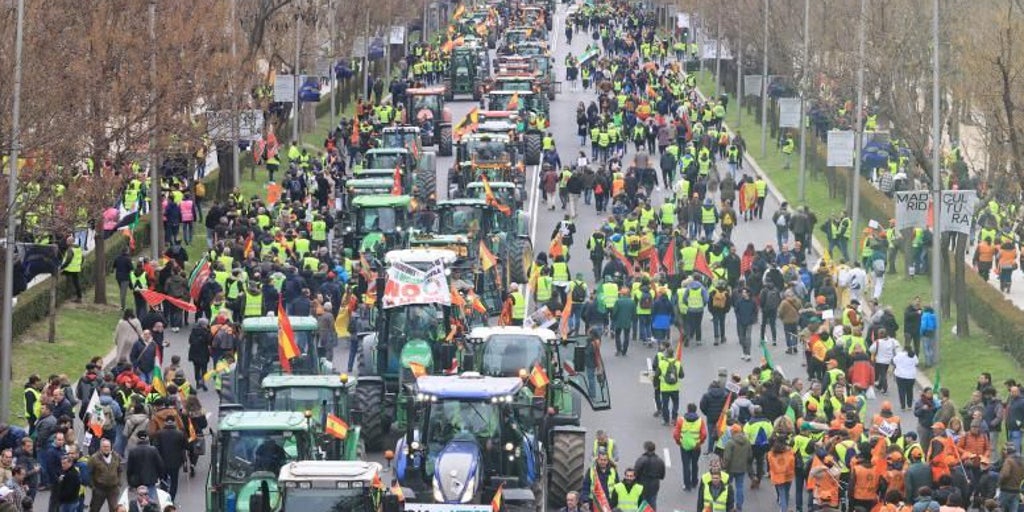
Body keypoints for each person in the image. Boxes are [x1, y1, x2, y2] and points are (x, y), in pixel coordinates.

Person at [674, 403, 707, 492]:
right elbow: (704, 434)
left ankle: (687, 485)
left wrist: (679, 442)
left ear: (687, 409)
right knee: (694, 464)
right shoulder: (700, 421)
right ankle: (694, 482)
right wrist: (699, 442)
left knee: (686, 465)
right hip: (696, 446)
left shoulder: (681, 420)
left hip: (684, 446)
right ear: (696, 410)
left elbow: (676, 434)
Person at [152, 418, 186, 500]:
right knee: (174, 482)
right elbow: (186, 446)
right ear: (174, 422)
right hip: (176, 462)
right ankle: (172, 498)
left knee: (163, 480)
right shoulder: (180, 434)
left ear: (165, 423)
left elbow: (155, 447)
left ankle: (164, 497)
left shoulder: (159, 433)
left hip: (162, 462)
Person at [722, 425, 752, 511]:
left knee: (728, 486)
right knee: (740, 487)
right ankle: (739, 506)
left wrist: (723, 467)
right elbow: (750, 456)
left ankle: (729, 505)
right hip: (742, 468)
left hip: (730, 469)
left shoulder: (730, 442)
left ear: (733, 432)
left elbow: (727, 458)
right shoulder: (747, 441)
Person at [87, 438, 122, 512]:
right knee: (94, 509)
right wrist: (93, 487)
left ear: (110, 447)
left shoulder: (116, 456)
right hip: (99, 489)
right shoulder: (94, 458)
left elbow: (119, 470)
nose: (106, 448)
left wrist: (119, 483)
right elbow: (89, 473)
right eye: (104, 446)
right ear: (100, 447)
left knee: (115, 509)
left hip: (113, 489)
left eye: (108, 446)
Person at [125, 432, 162, 500]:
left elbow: (129, 468)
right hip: (151, 479)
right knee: (151, 499)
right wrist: (160, 476)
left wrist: (129, 482)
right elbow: (159, 464)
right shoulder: (153, 449)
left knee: (140, 500)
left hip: (137, 481)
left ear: (137, 439)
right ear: (147, 438)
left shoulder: (133, 451)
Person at [633, 441, 665, 509]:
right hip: (654, 485)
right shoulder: (660, 461)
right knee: (652, 503)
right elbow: (662, 476)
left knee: (641, 504)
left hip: (642, 485)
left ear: (645, 448)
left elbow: (635, 473)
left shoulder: (641, 459)